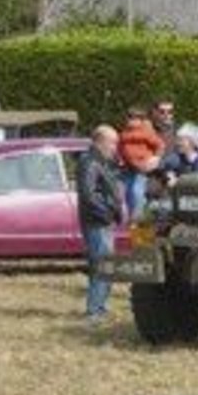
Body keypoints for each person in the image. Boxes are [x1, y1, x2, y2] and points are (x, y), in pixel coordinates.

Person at [76, 125, 123, 323]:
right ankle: (94, 312)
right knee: (101, 266)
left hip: (102, 221)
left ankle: (100, 307)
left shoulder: (103, 162)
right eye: (112, 142)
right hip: (97, 222)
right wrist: (107, 214)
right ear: (99, 141)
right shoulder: (90, 162)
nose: (115, 147)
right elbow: (88, 194)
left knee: (105, 265)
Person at [118, 107, 165, 219]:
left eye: (134, 118)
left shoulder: (146, 132)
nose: (131, 120)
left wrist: (156, 158)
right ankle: (129, 216)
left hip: (141, 167)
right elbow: (120, 147)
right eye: (129, 117)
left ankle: (137, 217)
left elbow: (160, 145)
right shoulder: (124, 133)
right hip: (127, 167)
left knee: (136, 191)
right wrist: (119, 158)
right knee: (125, 192)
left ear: (140, 120)